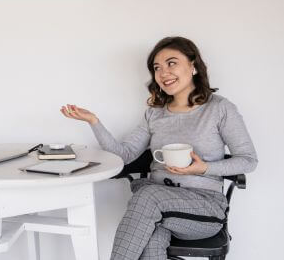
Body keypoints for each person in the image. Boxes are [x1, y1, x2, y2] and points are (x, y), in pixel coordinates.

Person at [60, 36, 258, 260]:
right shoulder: (154, 114)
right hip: (156, 210)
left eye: (171, 63)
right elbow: (124, 155)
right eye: (157, 68)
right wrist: (94, 122)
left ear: (193, 66)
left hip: (203, 207)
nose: (163, 73)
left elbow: (248, 160)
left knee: (147, 195)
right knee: (151, 241)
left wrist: (203, 169)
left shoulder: (220, 108)